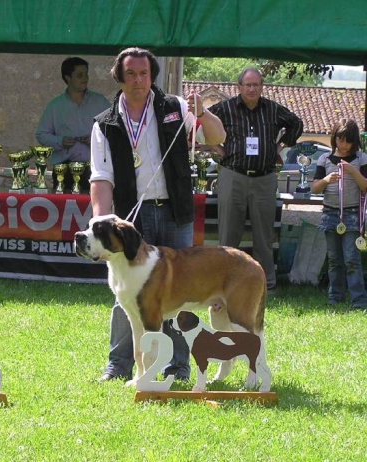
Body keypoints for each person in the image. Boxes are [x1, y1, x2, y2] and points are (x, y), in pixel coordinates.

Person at [89, 47, 226, 382]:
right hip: (130, 221)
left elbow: (218, 137)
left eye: (144, 74)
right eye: (131, 74)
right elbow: (101, 178)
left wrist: (203, 113)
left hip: (173, 210)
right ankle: (119, 365)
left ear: (152, 76)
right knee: (126, 292)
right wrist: (99, 222)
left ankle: (177, 367)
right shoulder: (104, 124)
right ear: (120, 78)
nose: (139, 80)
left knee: (178, 292)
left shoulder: (175, 108)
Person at [209, 67, 303, 294]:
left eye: (256, 85)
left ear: (262, 87)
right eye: (248, 85)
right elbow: (201, 123)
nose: (252, 89)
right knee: (229, 235)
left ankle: (266, 285)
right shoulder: (226, 108)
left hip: (265, 178)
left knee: (264, 236)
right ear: (238, 87)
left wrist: (279, 146)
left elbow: (296, 123)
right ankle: (224, 286)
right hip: (233, 175)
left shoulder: (272, 109)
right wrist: (219, 150)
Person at [311, 119, 367, 308]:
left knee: (352, 258)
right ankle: (336, 297)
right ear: (334, 138)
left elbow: (365, 186)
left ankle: (359, 300)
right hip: (330, 214)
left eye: (347, 141)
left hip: (352, 214)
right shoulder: (324, 159)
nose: (343, 145)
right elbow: (315, 189)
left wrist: (353, 171)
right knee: (334, 259)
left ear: (354, 141)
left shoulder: (361, 158)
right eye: (339, 140)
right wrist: (326, 179)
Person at [36, 57, 110, 192]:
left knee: (96, 210)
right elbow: (41, 134)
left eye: (86, 74)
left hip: (96, 168)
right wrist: (60, 141)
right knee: (63, 209)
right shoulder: (55, 106)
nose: (85, 78)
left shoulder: (101, 102)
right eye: (79, 75)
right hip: (64, 171)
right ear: (67, 78)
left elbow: (114, 130)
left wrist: (97, 140)